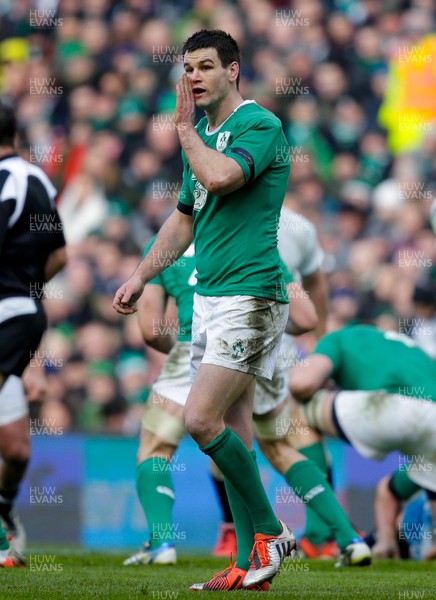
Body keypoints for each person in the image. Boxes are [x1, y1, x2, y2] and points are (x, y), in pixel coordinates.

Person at [114, 29, 296, 590]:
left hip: (252, 296)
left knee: (198, 420)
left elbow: (221, 177)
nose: (193, 76)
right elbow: (185, 219)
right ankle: (248, 565)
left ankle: (272, 531)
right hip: (213, 298)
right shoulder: (206, 138)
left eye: (206, 67)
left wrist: (185, 132)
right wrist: (141, 276)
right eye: (187, 67)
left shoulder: (258, 126)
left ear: (234, 71)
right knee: (232, 441)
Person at [123, 238, 371, 572]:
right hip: (256, 344)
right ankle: (347, 538)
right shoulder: (255, 238)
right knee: (282, 449)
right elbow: (306, 317)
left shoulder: (163, 246)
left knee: (156, 447)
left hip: (196, 345)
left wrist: (181, 350)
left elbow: (151, 331)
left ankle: (162, 542)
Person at [290, 324, 436, 557]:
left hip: (389, 406)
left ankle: (320, 537)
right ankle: (387, 544)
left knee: (297, 414)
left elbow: (302, 384)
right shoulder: (413, 350)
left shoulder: (335, 339)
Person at [0, 99, 67, 567]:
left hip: (9, 314)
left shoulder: (13, 180)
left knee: (17, 449)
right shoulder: (37, 177)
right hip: (19, 316)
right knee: (17, 448)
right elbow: (59, 255)